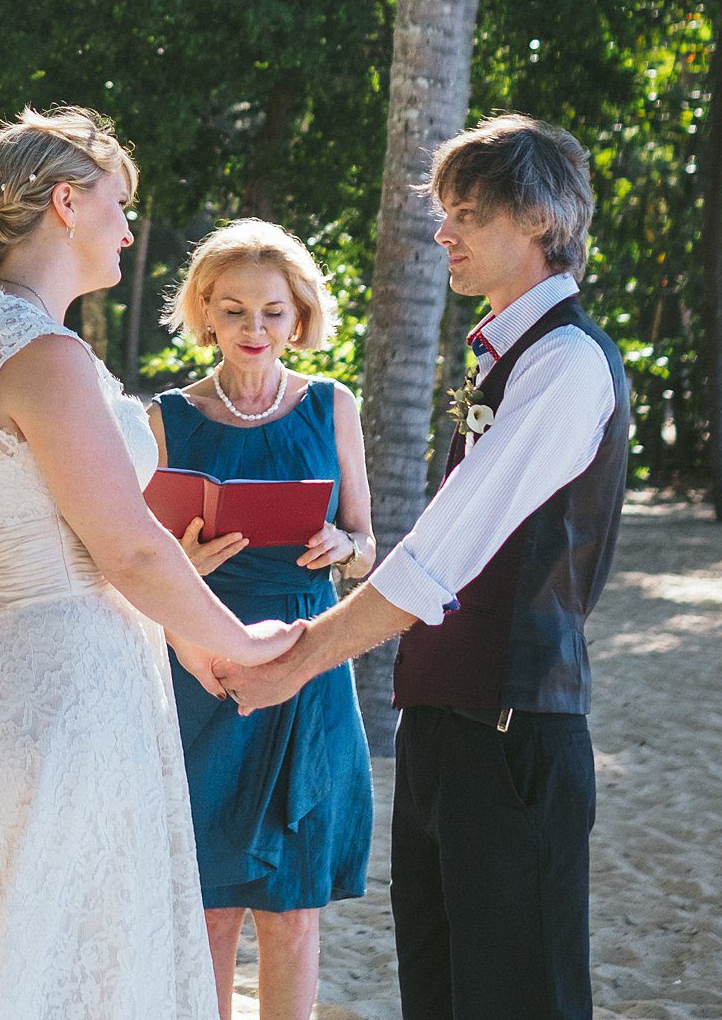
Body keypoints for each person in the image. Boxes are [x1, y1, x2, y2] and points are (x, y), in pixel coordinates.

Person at [0, 108, 304, 1020]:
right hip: (65, 693)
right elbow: (128, 547)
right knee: (69, 952)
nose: (130, 229)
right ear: (65, 202)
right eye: (119, 203)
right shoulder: (44, 354)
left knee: (6, 946)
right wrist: (240, 644)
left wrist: (184, 642)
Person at [224, 115, 631, 1020]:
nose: (442, 232)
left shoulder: (566, 363)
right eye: (443, 212)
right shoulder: (502, 357)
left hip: (513, 732)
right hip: (446, 726)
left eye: (466, 213)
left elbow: (438, 555)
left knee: (518, 998)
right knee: (441, 996)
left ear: (537, 218)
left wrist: (295, 660)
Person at [150, 220, 376, 1020]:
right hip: (205, 673)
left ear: (299, 317)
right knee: (208, 912)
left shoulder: (332, 405)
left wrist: (341, 545)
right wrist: (186, 566)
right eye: (235, 309)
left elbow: (369, 549)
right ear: (205, 312)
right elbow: (138, 566)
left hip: (310, 669)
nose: (254, 329)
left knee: (293, 913)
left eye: (273, 311)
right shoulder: (167, 416)